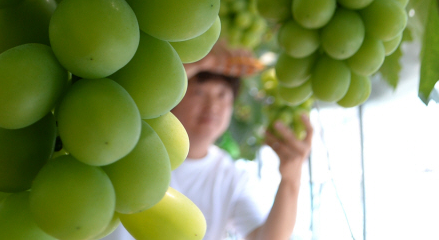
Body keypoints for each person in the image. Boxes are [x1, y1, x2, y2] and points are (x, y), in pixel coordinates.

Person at [104, 44, 313, 240]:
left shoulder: (232, 178)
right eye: (199, 92)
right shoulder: (130, 143)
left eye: (222, 95)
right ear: (176, 96)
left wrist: (291, 181)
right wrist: (200, 62)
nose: (212, 106)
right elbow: (148, 93)